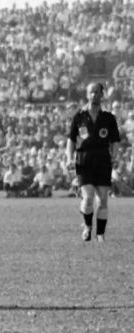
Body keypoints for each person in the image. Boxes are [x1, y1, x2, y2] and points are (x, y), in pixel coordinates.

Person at [65, 82, 121, 242]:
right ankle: (88, 227)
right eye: (91, 92)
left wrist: (114, 156)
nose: (94, 95)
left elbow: (115, 140)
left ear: (102, 95)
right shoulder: (79, 116)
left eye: (97, 92)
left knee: (103, 200)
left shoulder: (109, 118)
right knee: (88, 197)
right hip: (84, 161)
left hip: (103, 161)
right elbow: (71, 140)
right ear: (87, 94)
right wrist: (69, 158)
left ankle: (100, 235)